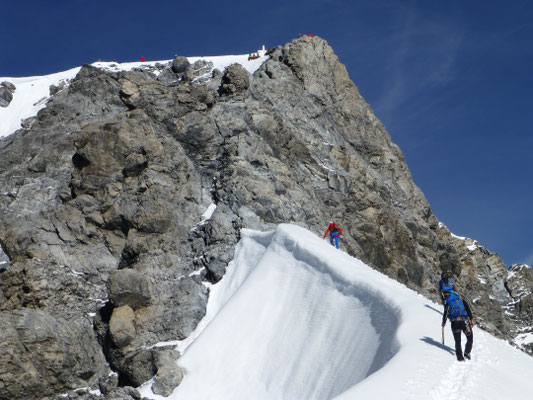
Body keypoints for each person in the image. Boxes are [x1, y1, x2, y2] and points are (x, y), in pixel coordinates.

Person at [442, 290, 474, 361]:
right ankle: (467, 353)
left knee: (457, 341)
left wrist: (443, 323)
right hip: (464, 321)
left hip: (454, 323)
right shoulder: (460, 298)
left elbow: (445, 313)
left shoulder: (447, 301)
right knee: (470, 338)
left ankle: (460, 358)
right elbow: (467, 308)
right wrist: (471, 319)